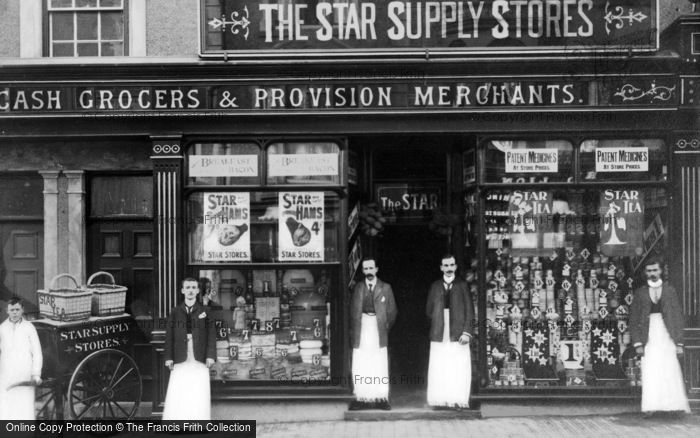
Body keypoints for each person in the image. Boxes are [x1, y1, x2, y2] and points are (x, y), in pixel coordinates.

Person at [629, 258, 690, 416]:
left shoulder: (670, 291)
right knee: (651, 369)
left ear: (661, 271)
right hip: (648, 335)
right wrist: (637, 343)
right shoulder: (640, 293)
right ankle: (651, 406)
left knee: (669, 368)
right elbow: (634, 319)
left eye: (655, 270)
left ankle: (673, 406)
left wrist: (679, 342)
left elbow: (677, 317)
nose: (652, 274)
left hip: (667, 334)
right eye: (649, 271)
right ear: (645, 273)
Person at [163, 278, 216, 420]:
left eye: (193, 287)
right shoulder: (175, 312)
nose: (191, 290)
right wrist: (168, 357)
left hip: (199, 354)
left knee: (198, 389)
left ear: (198, 291)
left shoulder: (206, 311)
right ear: (182, 291)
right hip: (180, 354)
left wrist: (210, 356)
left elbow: (211, 335)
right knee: (180, 388)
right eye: (187, 287)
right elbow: (169, 336)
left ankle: (198, 420)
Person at [426, 254, 474, 410]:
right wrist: (437, 322)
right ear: (441, 267)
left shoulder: (462, 285)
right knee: (439, 365)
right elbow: (429, 310)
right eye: (445, 266)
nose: (448, 268)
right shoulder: (435, 286)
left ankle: (457, 400)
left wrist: (466, 332)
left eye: (451, 265)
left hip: (458, 330)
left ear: (455, 267)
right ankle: (439, 400)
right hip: (440, 329)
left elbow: (470, 311)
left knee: (457, 366)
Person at [349, 258, 397, 410]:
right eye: (366, 269)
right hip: (362, 327)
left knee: (379, 362)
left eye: (371, 268)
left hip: (378, 327)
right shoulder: (358, 287)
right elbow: (352, 310)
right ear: (363, 271)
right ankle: (361, 397)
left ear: (376, 269)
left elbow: (392, 311)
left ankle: (381, 398)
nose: (369, 271)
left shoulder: (386, 287)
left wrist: (384, 326)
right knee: (361, 361)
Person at [0, 297, 43, 420]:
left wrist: (36, 374)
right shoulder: (2, 329)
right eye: (12, 310)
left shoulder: (29, 328)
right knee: (6, 408)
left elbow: (37, 352)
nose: (15, 313)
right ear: (7, 311)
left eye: (17, 309)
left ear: (22, 310)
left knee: (24, 408)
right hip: (7, 375)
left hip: (24, 375)